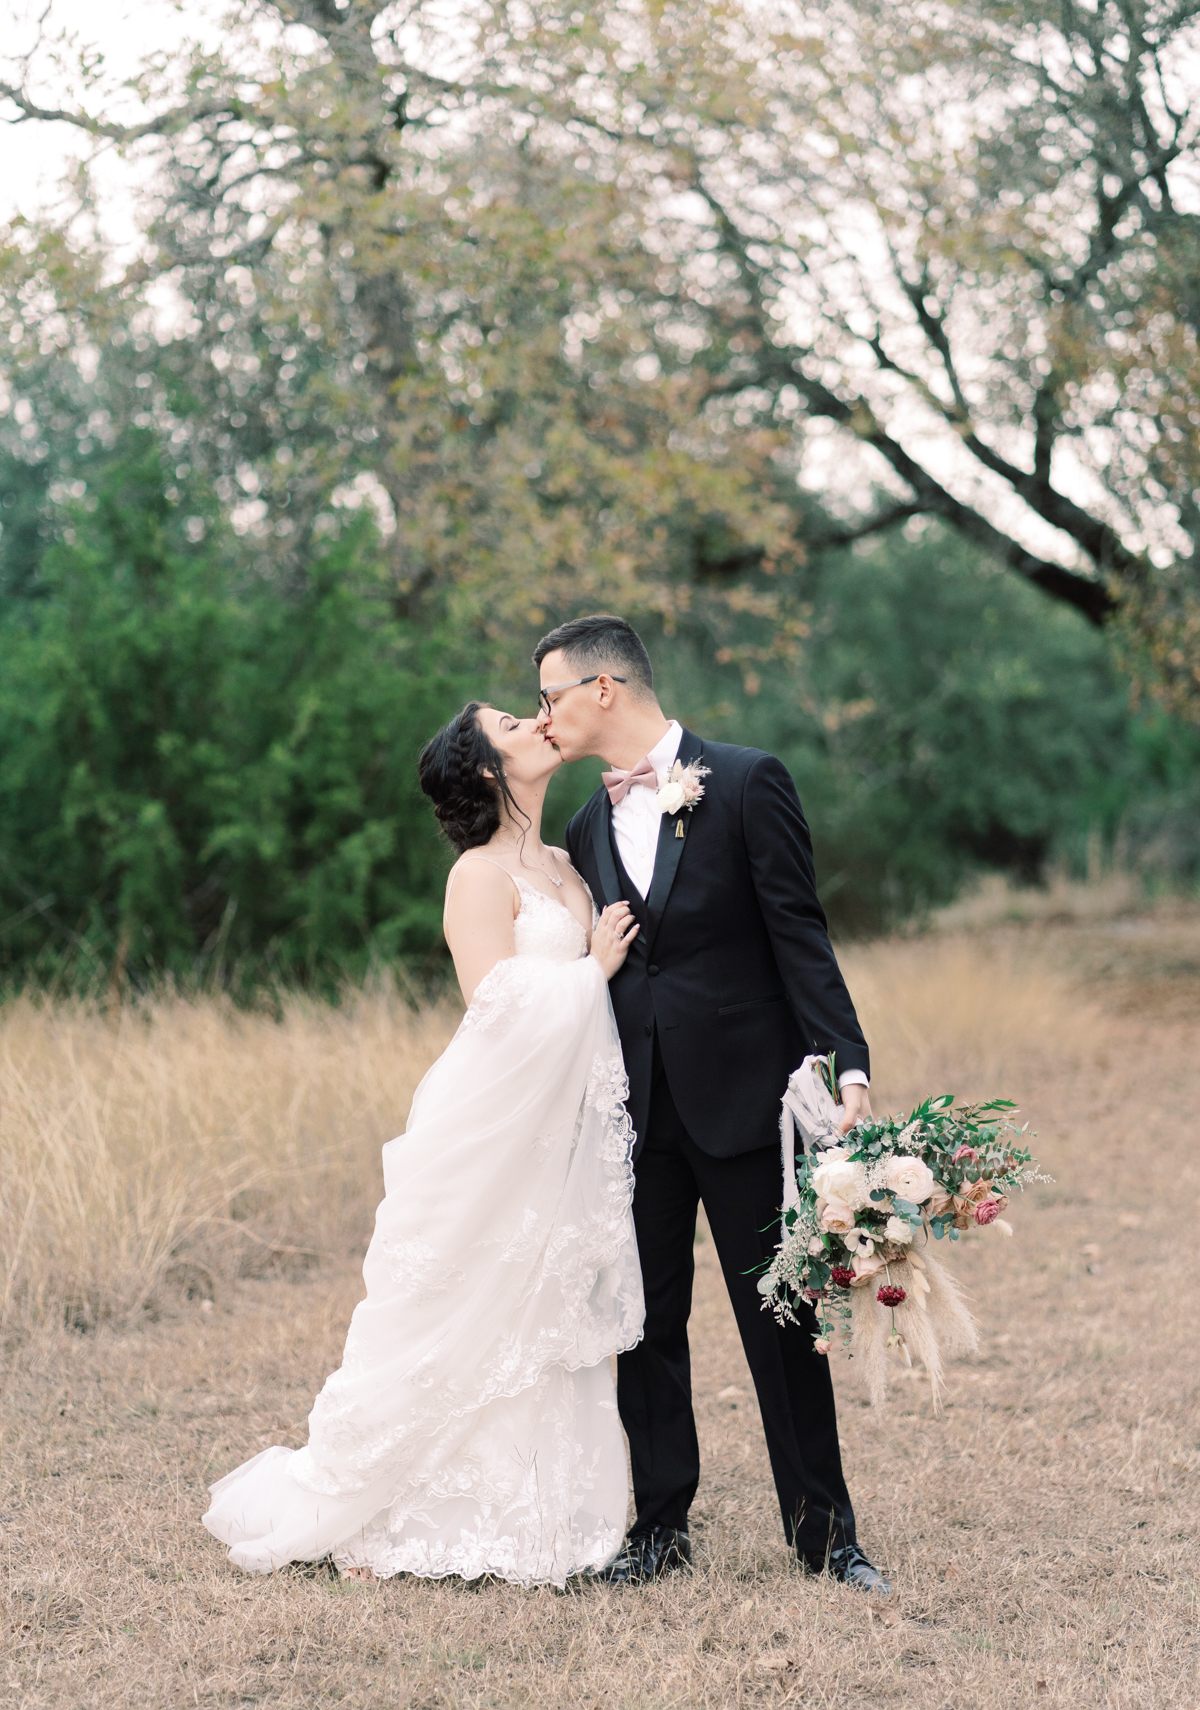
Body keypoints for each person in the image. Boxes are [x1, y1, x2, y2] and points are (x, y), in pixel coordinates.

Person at [202, 703, 645, 1586]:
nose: (535, 722)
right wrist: (591, 970)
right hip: (492, 1119)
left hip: (558, 1126)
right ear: (487, 768)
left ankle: (532, 1511)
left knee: (538, 1299)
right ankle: (397, 1502)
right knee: (464, 1292)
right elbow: (495, 1003)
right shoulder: (476, 877)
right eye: (514, 723)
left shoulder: (565, 859)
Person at [537, 614, 891, 1596]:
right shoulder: (581, 828)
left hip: (744, 1098)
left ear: (604, 688)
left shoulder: (743, 781)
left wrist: (845, 1062)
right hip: (636, 1111)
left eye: (551, 694)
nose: (544, 715)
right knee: (643, 1322)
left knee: (780, 1316)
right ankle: (657, 1530)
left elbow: (799, 934)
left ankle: (826, 1537)